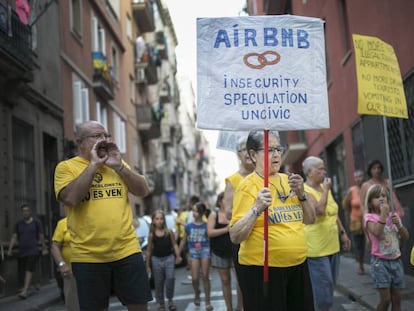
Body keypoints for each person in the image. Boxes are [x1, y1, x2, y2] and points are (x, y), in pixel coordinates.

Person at [54, 120, 152, 311]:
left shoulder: (116, 164)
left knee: (139, 306)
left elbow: (143, 190)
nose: (103, 140)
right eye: (96, 136)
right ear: (80, 141)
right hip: (88, 256)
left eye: (105, 135)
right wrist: (93, 165)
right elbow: (71, 198)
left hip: (127, 250)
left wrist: (120, 167)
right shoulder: (66, 168)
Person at [229, 130, 316, 311]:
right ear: (253, 155)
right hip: (263, 270)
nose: (276, 154)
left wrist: (302, 194)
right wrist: (257, 208)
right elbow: (235, 236)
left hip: (298, 266)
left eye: (278, 149)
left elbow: (310, 219)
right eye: (269, 149)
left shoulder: (290, 181)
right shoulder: (247, 186)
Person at [302, 156, 351, 311]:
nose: (324, 171)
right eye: (320, 168)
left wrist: (343, 233)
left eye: (324, 168)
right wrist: (326, 190)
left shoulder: (323, 188)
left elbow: (333, 212)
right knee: (323, 288)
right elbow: (320, 211)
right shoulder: (305, 191)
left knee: (329, 286)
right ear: (309, 172)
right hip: (316, 249)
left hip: (332, 245)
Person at [364, 184, 409, 311]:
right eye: (377, 197)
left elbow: (405, 236)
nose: (381, 199)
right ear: (370, 202)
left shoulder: (393, 216)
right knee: (386, 299)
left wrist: (399, 225)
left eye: (383, 196)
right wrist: (383, 214)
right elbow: (377, 232)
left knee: (397, 298)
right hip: (380, 263)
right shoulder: (369, 218)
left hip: (396, 261)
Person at [223, 136, 254, 311]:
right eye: (244, 149)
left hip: (265, 235)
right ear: (239, 154)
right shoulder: (233, 180)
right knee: (244, 278)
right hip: (243, 236)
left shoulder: (263, 176)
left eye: (251, 149)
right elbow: (228, 212)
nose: (248, 153)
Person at [7, 204, 48, 299]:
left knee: (29, 269)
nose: (25, 213)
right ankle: (34, 283)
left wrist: (44, 248)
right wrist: (9, 249)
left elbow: (41, 235)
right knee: (27, 269)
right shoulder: (18, 224)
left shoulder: (36, 222)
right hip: (22, 250)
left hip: (33, 250)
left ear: (30, 212)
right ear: (21, 213)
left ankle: (25, 291)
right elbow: (14, 236)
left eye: (27, 211)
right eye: (24, 211)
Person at [146, 210, 182, 311]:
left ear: (164, 220)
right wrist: (147, 266)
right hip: (156, 259)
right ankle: (161, 303)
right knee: (158, 282)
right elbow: (148, 251)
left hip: (169, 258)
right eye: (157, 219)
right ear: (153, 221)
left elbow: (174, 244)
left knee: (170, 278)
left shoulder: (169, 232)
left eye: (161, 219)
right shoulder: (151, 235)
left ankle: (170, 299)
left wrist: (178, 255)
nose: (159, 221)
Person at [179, 202, 213, 310]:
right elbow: (184, 240)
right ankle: (197, 293)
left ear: (201, 213)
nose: (193, 213)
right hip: (193, 251)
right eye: (192, 210)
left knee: (205, 275)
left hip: (205, 250)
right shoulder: (188, 226)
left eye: (195, 211)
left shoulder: (206, 225)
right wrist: (178, 254)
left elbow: (210, 239)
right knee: (194, 278)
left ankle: (208, 301)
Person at [207, 192, 234, 311]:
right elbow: (210, 233)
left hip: (235, 251)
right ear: (219, 202)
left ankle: (240, 307)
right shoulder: (214, 215)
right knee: (225, 280)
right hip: (219, 252)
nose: (229, 200)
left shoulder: (235, 212)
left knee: (240, 281)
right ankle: (229, 308)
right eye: (226, 199)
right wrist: (226, 229)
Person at [51, 217, 80, 311]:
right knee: (72, 302)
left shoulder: (90, 219)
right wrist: (62, 265)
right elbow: (55, 247)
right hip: (70, 271)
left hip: (92, 267)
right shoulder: (63, 223)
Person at [343, 169, 366, 275]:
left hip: (369, 220)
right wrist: (352, 214)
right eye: (356, 177)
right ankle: (360, 265)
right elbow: (346, 205)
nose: (358, 179)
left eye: (360, 176)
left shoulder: (367, 187)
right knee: (358, 245)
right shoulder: (352, 190)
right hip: (356, 221)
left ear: (364, 177)